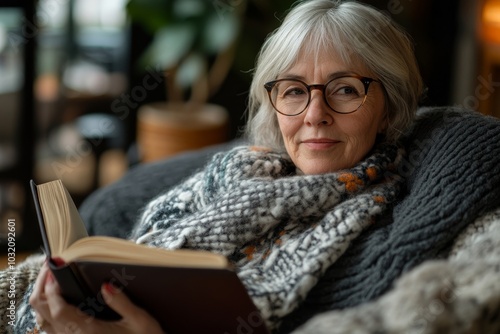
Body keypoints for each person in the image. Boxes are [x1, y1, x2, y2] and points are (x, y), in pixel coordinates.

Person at [2, 0, 500, 333]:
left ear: (389, 106)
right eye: (293, 91)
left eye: (346, 89)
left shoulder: (401, 209)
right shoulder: (233, 173)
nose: (314, 114)